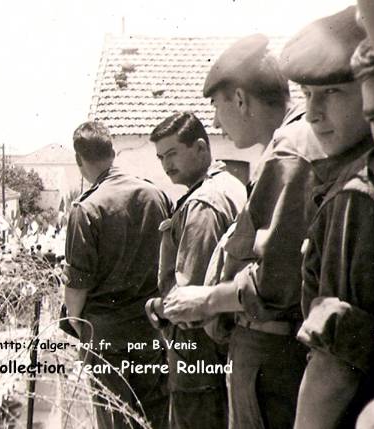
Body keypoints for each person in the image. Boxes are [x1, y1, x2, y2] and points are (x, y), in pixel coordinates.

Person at [161, 34, 326, 429]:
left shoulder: (288, 150)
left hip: (269, 353)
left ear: (240, 99)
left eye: (217, 108)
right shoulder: (291, 142)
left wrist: (205, 301)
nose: (216, 122)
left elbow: (276, 281)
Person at [278, 7, 374, 428]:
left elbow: (334, 366)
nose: (313, 113)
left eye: (333, 92)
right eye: (307, 94)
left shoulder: (355, 196)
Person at [64, 121, 170, 429]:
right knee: (154, 420)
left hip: (106, 338)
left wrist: (76, 323)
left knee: (116, 421)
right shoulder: (155, 195)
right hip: (151, 331)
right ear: (113, 152)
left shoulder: (86, 208)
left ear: (79, 160)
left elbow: (77, 284)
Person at [145, 111, 246, 428]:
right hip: (221, 348)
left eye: (172, 153)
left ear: (201, 147)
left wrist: (157, 307)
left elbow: (189, 299)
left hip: (197, 354)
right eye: (161, 157)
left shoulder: (202, 202)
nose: (166, 165)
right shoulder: (229, 183)